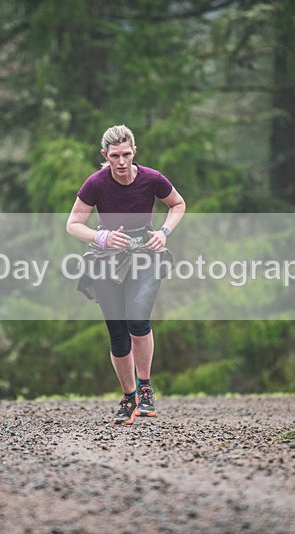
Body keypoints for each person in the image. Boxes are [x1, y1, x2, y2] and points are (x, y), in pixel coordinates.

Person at [66, 125, 186, 424]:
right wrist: (102, 236)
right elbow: (73, 224)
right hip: (105, 258)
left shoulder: (152, 179)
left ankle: (145, 388)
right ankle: (129, 396)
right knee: (118, 332)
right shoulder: (96, 183)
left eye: (126, 154)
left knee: (138, 320)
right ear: (105, 155)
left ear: (134, 152)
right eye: (115, 156)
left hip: (145, 253)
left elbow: (177, 204)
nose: (121, 162)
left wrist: (164, 232)